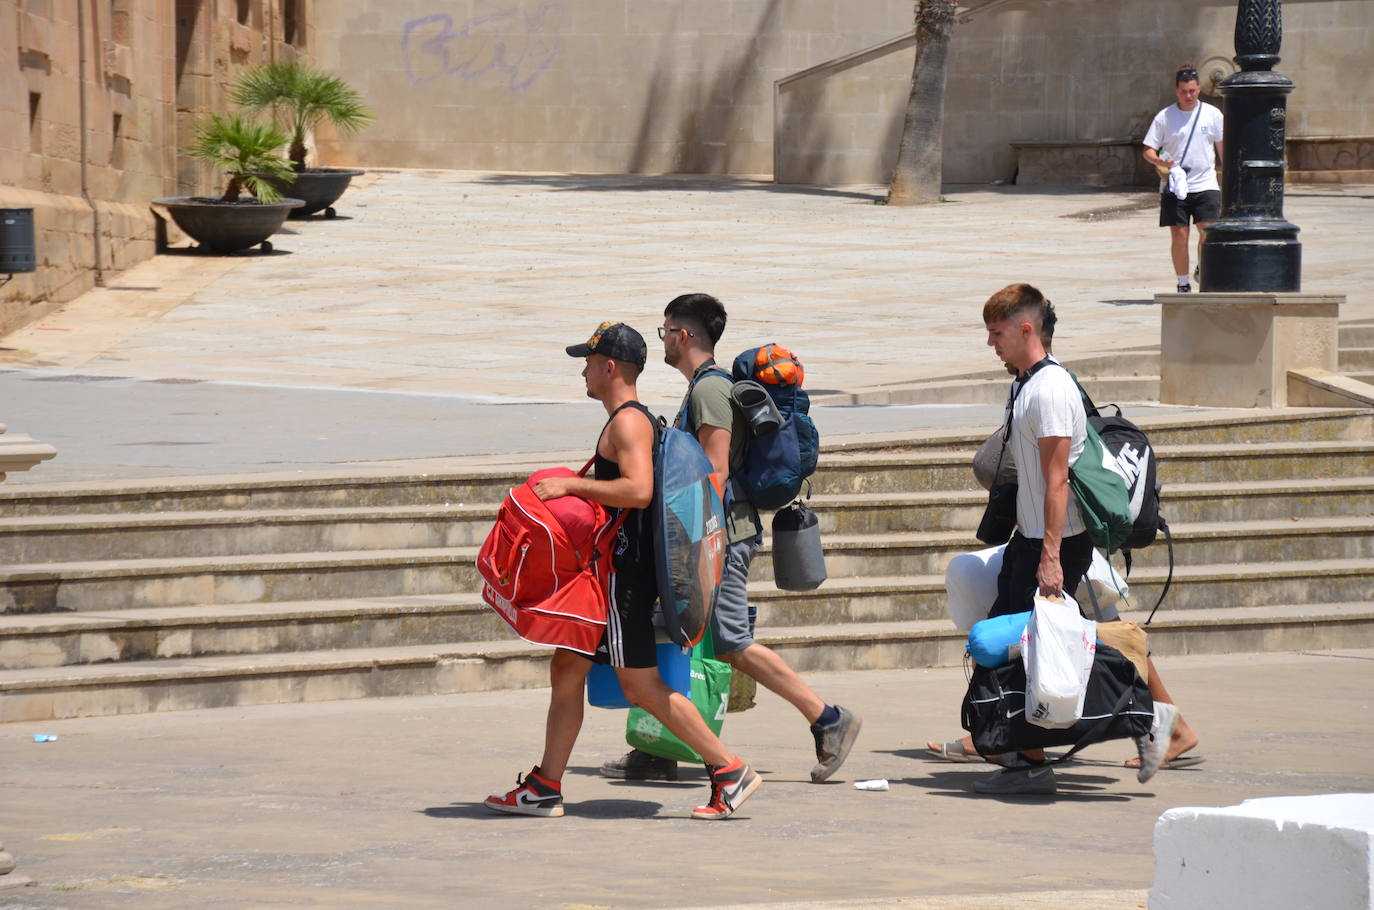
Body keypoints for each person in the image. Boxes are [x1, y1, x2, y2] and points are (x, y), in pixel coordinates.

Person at [484, 321, 761, 821]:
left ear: (609, 367)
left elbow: (639, 491)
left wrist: (572, 488)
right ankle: (545, 785)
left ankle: (729, 769)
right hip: (613, 578)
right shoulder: (629, 420)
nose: (584, 373)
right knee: (566, 669)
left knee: (641, 687)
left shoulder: (628, 423)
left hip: (624, 583)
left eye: (588, 363)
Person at [599, 293, 862, 785]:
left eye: (667, 331)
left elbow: (712, 475)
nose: (665, 340)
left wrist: (696, 549)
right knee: (672, 634)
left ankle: (828, 718)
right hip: (708, 536)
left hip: (719, 538)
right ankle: (659, 747)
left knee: (731, 642)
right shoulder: (702, 388)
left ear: (684, 335)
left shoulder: (710, 392)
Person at [928, 302, 1202, 770]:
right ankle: (1012, 740)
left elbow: (1057, 480)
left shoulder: (1051, 389)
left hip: (1056, 539)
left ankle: (1015, 745)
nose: (990, 343)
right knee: (1032, 634)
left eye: (996, 333)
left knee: (1026, 638)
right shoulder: (1027, 382)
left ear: (1026, 329)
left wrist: (1049, 556)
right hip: (1036, 537)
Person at [1142, 64, 1225, 293]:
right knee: (1180, 233)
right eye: (1183, 92)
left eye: (1192, 91)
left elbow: (1222, 149)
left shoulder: (1213, 114)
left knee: (1208, 230)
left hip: (1206, 182)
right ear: (1176, 91)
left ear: (1199, 88)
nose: (1188, 96)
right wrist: (1162, 161)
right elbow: (1149, 149)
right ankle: (1183, 283)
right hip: (1175, 185)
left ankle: (1202, 269)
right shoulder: (1165, 117)